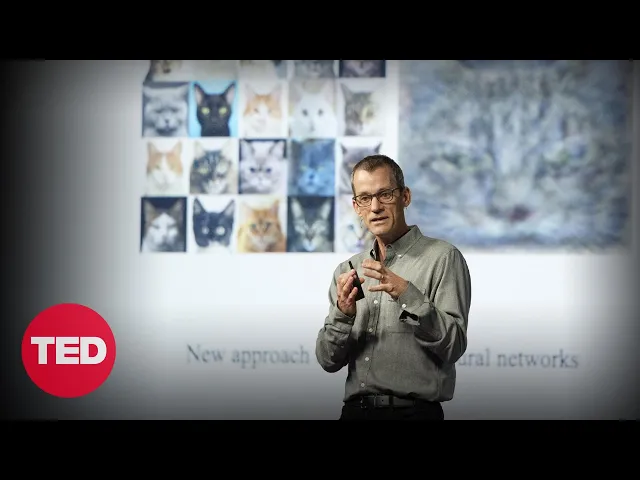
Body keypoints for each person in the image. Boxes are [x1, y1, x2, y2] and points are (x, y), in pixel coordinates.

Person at [315, 154, 472, 420]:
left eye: (385, 194)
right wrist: (343, 314)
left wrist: (407, 294)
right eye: (365, 198)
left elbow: (454, 346)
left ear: (405, 197)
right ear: (356, 206)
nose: (375, 207)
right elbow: (327, 360)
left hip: (414, 414)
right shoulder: (348, 270)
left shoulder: (443, 258)